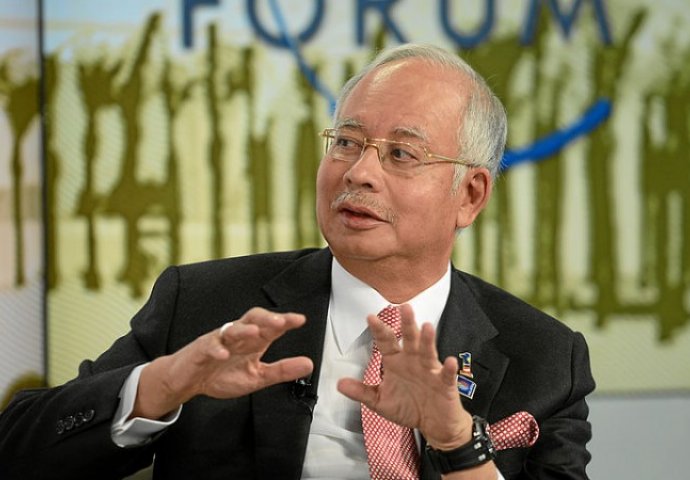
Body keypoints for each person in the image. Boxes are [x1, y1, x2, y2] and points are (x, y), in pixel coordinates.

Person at [0, 43, 595, 480]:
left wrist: (459, 443)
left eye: (401, 154)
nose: (359, 172)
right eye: (347, 142)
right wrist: (161, 387)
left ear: (470, 195)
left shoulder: (545, 359)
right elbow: (16, 452)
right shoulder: (206, 305)